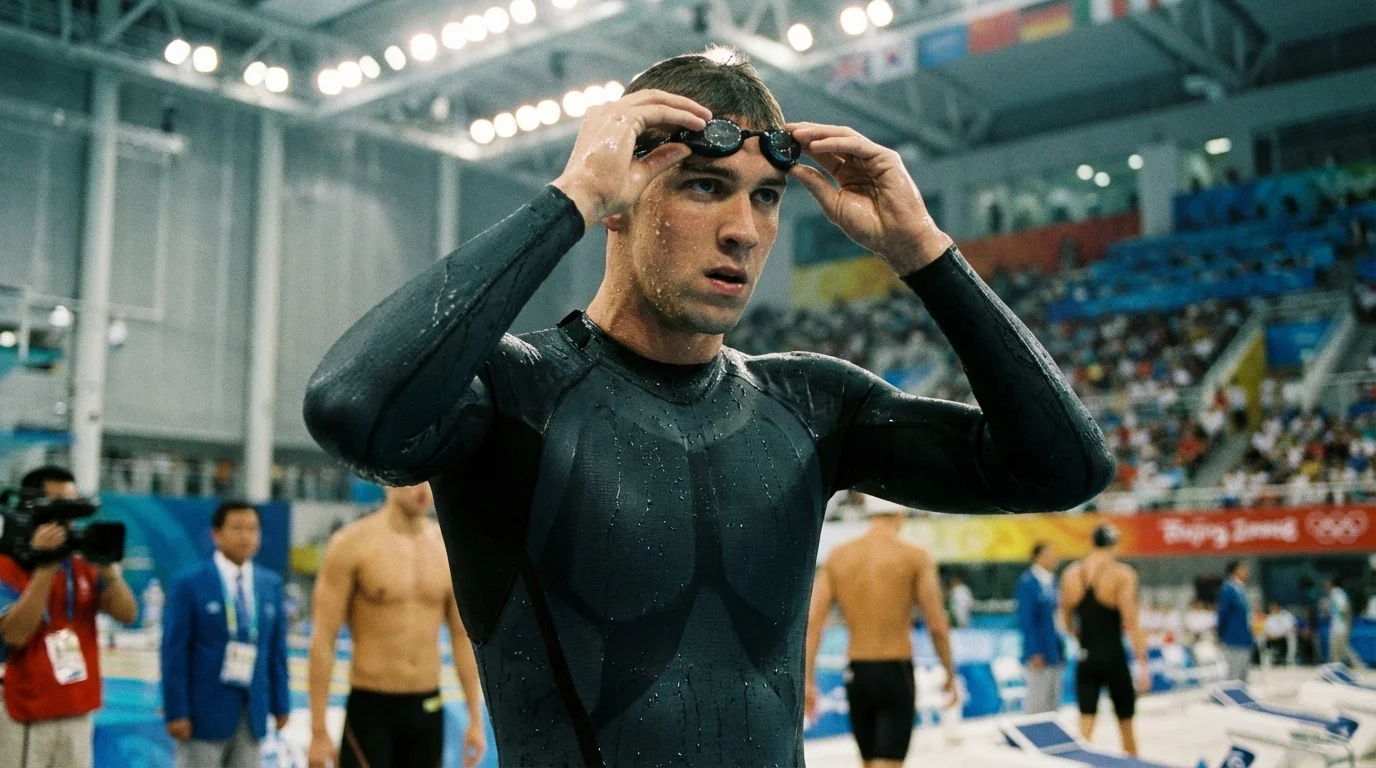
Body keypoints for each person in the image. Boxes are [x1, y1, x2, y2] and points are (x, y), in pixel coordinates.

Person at [301, 48, 1114, 764]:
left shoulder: (811, 404)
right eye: (704, 185)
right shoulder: (517, 397)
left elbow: (1063, 469)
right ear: (621, 200)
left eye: (765, 198)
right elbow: (351, 408)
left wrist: (924, 252)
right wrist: (572, 196)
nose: (744, 231)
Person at [307, 483, 486, 768]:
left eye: (428, 478)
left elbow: (462, 638)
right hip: (371, 708)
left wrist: (475, 718)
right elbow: (323, 638)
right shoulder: (352, 544)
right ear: (386, 481)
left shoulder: (447, 548)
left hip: (428, 705)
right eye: (412, 478)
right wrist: (318, 731)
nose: (423, 488)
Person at [0, 466, 138, 768]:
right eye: (60, 510)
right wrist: (46, 566)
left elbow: (128, 613)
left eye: (73, 510)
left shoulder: (83, 560)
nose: (68, 522)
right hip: (25, 709)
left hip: (78, 707)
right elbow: (15, 634)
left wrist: (108, 572)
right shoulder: (6, 564)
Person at [804, 509, 956, 768]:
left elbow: (814, 623)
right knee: (888, 764)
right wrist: (949, 671)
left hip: (856, 672)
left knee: (868, 762)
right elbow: (937, 625)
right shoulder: (914, 555)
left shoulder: (839, 556)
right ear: (900, 515)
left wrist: (808, 681)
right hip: (894, 670)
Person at [161, 501, 291, 768]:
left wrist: (281, 703)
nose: (246, 536)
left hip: (252, 712)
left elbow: (276, 651)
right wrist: (177, 711)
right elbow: (174, 653)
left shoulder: (270, 584)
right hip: (201, 715)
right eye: (237, 528)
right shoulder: (190, 584)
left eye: (253, 529)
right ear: (216, 534)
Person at [1060, 525, 1149, 755]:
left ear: (1092, 543)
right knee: (1126, 726)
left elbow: (1066, 621)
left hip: (1086, 657)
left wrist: (1082, 638)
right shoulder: (1123, 574)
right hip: (1114, 656)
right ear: (1114, 545)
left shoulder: (1071, 574)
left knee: (1085, 728)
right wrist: (1142, 663)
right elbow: (1131, 622)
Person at [1016, 542, 1064, 714]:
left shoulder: (1052, 582)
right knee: (1037, 704)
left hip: (1055, 651)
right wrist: (1033, 651)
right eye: (1050, 554)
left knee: (1053, 704)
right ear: (1039, 557)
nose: (1054, 558)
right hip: (1039, 653)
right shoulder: (1028, 582)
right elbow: (1026, 620)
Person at [1217, 561, 1254, 682]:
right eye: (1243, 569)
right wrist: (1221, 634)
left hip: (1244, 637)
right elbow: (1223, 614)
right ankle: (1231, 697)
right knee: (1234, 674)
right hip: (1233, 637)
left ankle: (1241, 697)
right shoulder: (1228, 589)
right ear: (1235, 571)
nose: (1247, 572)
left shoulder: (1241, 589)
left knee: (1244, 674)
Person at [1325, 577, 1363, 668]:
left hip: (1340, 625)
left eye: (1327, 583)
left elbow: (1345, 609)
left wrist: (1347, 624)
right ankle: (1336, 666)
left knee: (1343, 647)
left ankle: (1357, 664)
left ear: (1332, 584)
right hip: (1337, 624)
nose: (1325, 585)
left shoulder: (1338, 593)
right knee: (1335, 647)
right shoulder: (1334, 594)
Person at [1262, 602, 1296, 666]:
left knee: (1290, 637)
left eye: (1275, 607)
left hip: (1284, 637)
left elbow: (1291, 627)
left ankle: (1288, 660)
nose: (1273, 609)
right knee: (1264, 639)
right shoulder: (1270, 617)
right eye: (1272, 608)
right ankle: (1271, 659)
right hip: (1272, 638)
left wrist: (1280, 634)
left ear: (1278, 607)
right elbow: (1266, 629)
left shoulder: (1286, 615)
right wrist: (1271, 635)